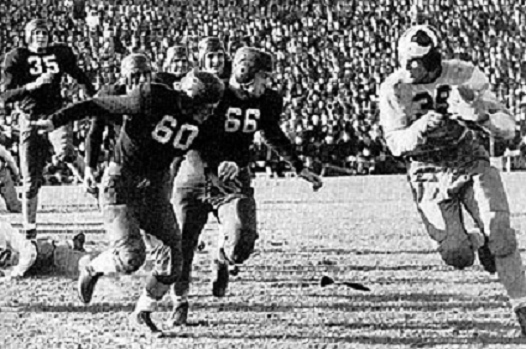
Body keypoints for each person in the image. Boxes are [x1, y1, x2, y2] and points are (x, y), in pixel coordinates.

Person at [31, 68, 225, 335]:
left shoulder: (204, 123)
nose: (209, 112)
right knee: (131, 256)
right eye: (206, 106)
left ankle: (141, 313)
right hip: (121, 182)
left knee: (172, 263)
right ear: (190, 97)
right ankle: (92, 266)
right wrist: (55, 121)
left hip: (155, 187)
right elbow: (95, 104)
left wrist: (220, 174)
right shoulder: (151, 97)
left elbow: (207, 157)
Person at [379, 24, 526, 335]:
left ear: (433, 60)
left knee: (501, 230)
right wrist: (420, 128)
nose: (407, 68)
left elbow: (510, 128)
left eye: (414, 61)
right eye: (403, 60)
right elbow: (394, 144)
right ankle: (477, 241)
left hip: (468, 159)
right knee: (456, 255)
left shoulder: (462, 74)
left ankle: (522, 306)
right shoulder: (393, 88)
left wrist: (479, 116)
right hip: (426, 171)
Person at [170, 47, 323, 326]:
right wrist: (217, 161)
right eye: (263, 77)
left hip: (233, 177)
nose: (267, 84)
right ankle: (179, 301)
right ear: (245, 72)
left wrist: (298, 166)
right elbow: (193, 133)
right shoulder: (213, 92)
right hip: (195, 173)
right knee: (183, 244)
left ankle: (221, 255)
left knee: (242, 241)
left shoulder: (267, 101)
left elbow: (270, 133)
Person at [1, 19, 95, 239]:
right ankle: (29, 228)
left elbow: (79, 76)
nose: (41, 36)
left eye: (44, 32)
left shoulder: (60, 53)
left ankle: (92, 184)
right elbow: (4, 95)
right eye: (36, 33)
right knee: (30, 178)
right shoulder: (17, 57)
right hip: (29, 118)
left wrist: (95, 98)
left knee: (66, 152)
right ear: (28, 35)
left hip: (56, 114)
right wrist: (32, 86)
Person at [0, 220, 86, 279]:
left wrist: (15, 273)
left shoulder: (3, 228)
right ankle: (71, 243)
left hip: (44, 257)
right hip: (31, 263)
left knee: (83, 264)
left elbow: (29, 253)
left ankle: (72, 244)